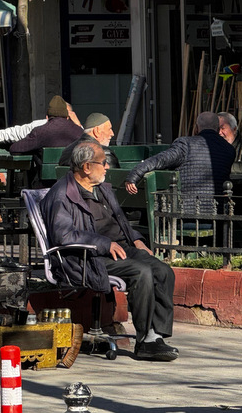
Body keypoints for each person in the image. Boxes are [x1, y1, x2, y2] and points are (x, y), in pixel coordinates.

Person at [42, 142, 178, 361]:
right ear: (86, 167)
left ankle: (155, 335)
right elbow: (64, 236)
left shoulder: (102, 189)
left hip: (117, 248)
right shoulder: (61, 196)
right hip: (86, 257)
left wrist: (136, 239)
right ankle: (144, 342)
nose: (107, 167)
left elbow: (120, 221)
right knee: (141, 272)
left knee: (163, 271)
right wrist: (104, 244)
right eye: (103, 163)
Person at [126, 112, 235, 215]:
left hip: (186, 214)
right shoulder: (229, 150)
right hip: (217, 215)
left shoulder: (185, 145)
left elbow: (160, 160)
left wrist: (135, 174)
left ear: (196, 128)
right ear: (217, 129)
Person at [0, 97, 81, 149]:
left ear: (47, 117)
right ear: (68, 117)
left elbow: (13, 133)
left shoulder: (39, 127)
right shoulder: (80, 133)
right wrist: (79, 125)